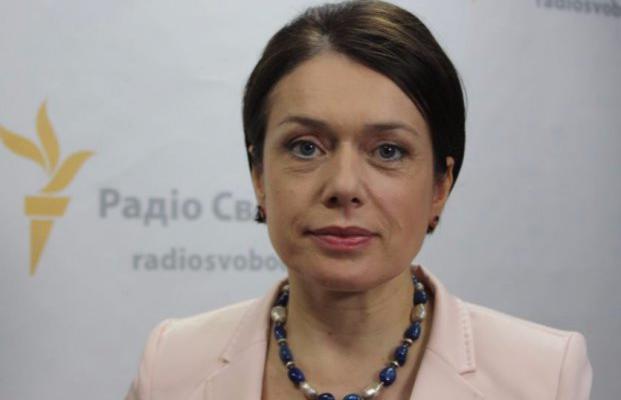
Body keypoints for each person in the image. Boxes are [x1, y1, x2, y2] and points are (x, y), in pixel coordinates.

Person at [125, 1, 593, 399]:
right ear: (259, 176)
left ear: (439, 187)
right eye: (306, 147)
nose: (344, 185)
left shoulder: (543, 376)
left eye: (388, 151)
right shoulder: (172, 364)